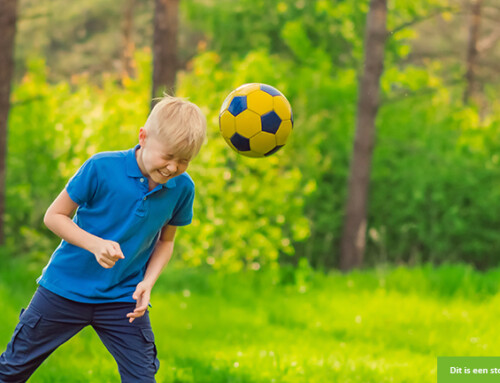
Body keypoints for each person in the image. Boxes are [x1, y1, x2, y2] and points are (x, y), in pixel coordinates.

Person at [0, 95, 207, 382]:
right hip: (64, 289)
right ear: (143, 137)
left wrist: (147, 282)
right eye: (168, 156)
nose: (173, 168)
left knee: (143, 378)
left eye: (184, 160)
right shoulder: (100, 168)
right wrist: (94, 244)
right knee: (11, 370)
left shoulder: (181, 188)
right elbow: (54, 216)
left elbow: (166, 242)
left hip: (123, 298)